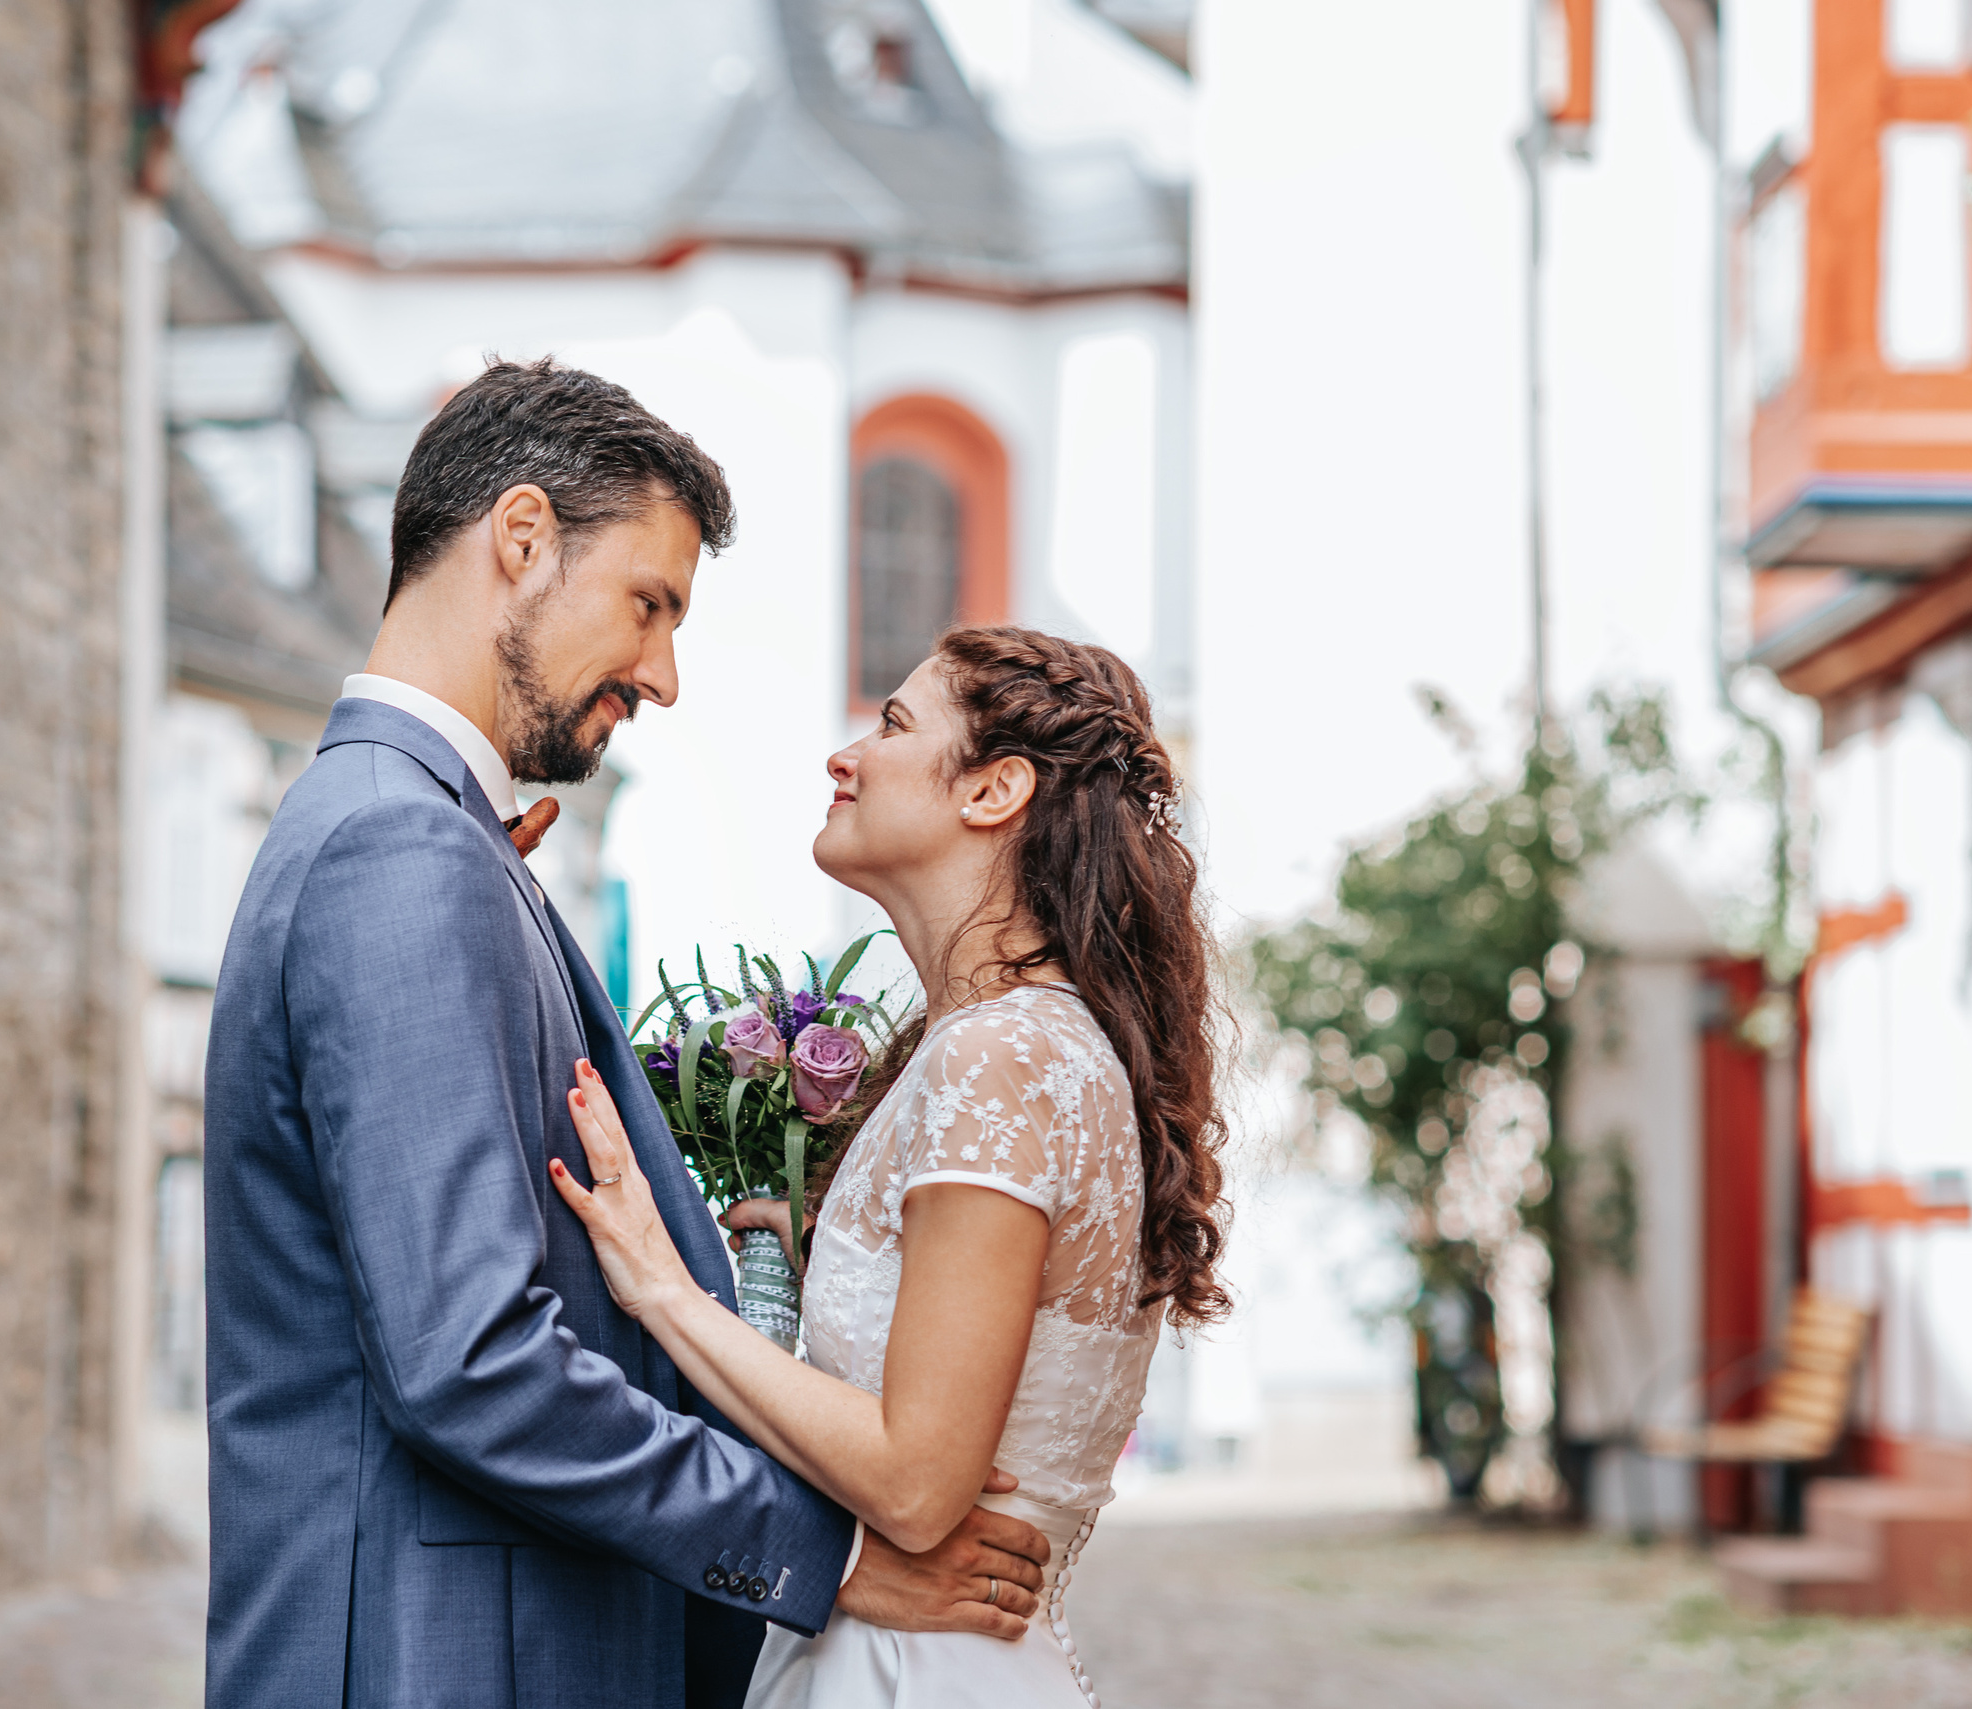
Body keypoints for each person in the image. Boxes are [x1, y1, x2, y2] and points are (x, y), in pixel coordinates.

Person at [201, 358, 1055, 1709]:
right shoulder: (399, 852)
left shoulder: (421, 835)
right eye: (648, 605)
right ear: (522, 538)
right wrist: (819, 1557)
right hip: (445, 1661)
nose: (661, 674)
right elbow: (472, 1361)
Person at [548, 625, 1229, 1707]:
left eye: (896, 724)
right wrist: (810, 1255)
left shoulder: (999, 1056)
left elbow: (915, 1483)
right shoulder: (1019, 1044)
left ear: (995, 789)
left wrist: (663, 1289)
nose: (846, 754)